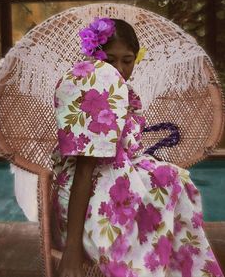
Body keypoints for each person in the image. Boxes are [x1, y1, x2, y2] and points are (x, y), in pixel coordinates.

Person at [51, 18, 224, 277]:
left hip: (112, 179)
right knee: (160, 201)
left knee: (174, 181)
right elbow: (85, 169)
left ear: (135, 58)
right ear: (95, 57)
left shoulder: (124, 92)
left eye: (127, 60)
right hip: (86, 194)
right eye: (109, 60)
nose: (118, 68)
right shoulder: (93, 86)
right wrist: (72, 249)